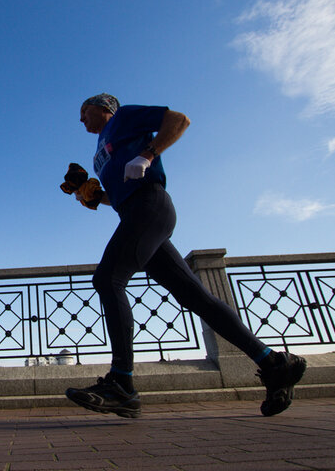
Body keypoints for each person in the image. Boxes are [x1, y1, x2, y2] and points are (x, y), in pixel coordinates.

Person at [64, 93, 306, 418]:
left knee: (108, 279)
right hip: (135, 213)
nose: (81, 119)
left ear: (104, 107)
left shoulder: (124, 117)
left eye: (85, 111)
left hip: (151, 206)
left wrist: (149, 154)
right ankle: (274, 363)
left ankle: (121, 383)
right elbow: (120, 192)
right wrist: (92, 196)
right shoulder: (98, 155)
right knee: (198, 299)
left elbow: (179, 120)